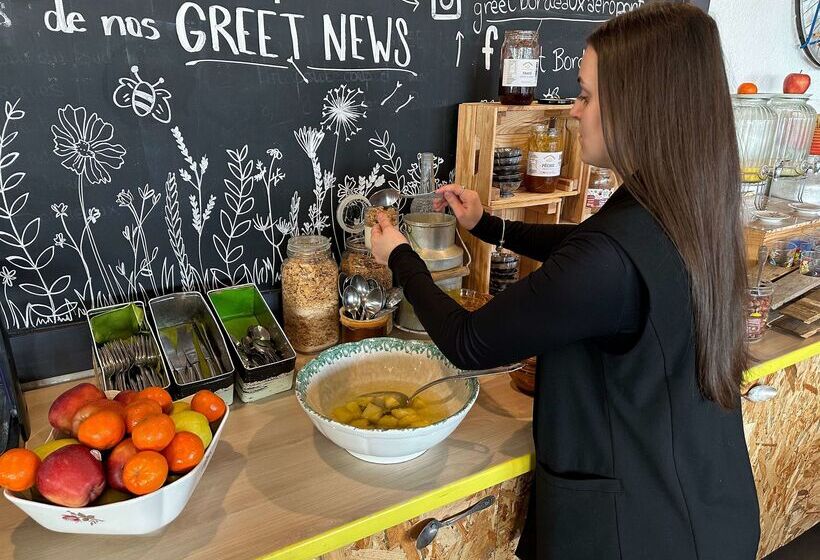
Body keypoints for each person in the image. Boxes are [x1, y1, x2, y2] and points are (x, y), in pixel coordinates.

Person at [369, 3, 760, 559]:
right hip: (709, 504)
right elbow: (582, 253)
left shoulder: (613, 255)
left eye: (585, 95)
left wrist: (400, 256)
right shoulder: (690, 205)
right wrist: (488, 225)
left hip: (635, 533)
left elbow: (468, 342)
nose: (573, 112)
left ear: (639, 108)